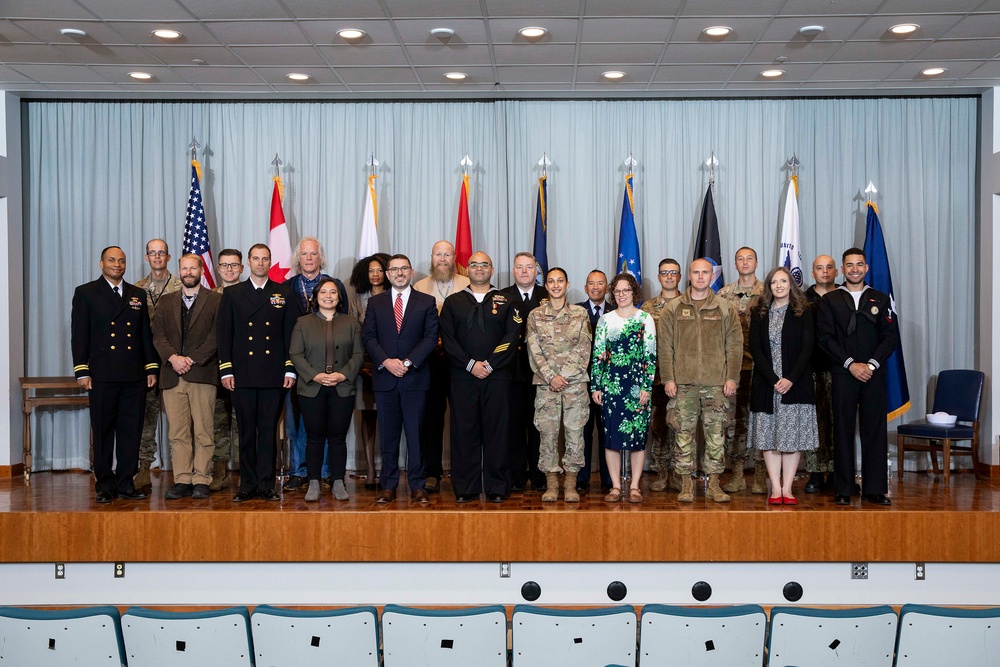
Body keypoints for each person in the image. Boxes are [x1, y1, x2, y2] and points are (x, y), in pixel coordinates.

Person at [71, 246, 159, 503]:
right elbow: (79, 335)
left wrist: (150, 367)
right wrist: (81, 370)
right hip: (101, 374)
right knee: (103, 429)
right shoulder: (86, 293)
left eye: (121, 261)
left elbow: (144, 334)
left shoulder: (137, 294)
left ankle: (125, 483)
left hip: (133, 375)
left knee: (131, 430)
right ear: (101, 264)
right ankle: (104, 484)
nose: (117, 264)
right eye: (112, 260)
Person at [817, 248, 899, 506]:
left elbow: (890, 337)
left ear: (866, 268)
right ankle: (843, 487)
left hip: (873, 375)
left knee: (874, 429)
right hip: (844, 373)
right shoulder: (830, 300)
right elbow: (825, 339)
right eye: (849, 265)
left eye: (859, 264)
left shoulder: (880, 298)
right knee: (842, 429)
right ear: (842, 270)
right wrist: (851, 364)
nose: (854, 269)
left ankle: (875, 488)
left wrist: (871, 365)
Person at [217, 243, 297, 502]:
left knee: (268, 430)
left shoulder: (283, 293)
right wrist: (226, 369)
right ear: (247, 263)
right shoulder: (233, 294)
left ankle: (266, 484)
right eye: (256, 259)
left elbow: (291, 335)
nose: (260, 263)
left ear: (270, 262)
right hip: (242, 374)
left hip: (274, 374)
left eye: (265, 259)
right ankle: (247, 484)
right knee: (247, 431)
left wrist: (290, 368)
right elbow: (224, 334)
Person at [659, 259, 743, 503]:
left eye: (705, 272)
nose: (700, 276)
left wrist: (731, 377)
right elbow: (665, 347)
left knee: (716, 436)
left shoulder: (725, 307)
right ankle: (685, 484)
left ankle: (714, 485)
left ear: (711, 276)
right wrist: (668, 379)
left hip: (716, 384)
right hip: (682, 384)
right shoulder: (673, 308)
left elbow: (735, 345)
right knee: (683, 436)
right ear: (689, 275)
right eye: (696, 272)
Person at [439, 251, 520, 503]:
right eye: (474, 264)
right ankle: (466, 488)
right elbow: (448, 340)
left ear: (492, 270)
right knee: (464, 432)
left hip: (497, 377)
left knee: (498, 432)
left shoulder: (507, 301)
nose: (479, 268)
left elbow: (512, 337)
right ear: (467, 270)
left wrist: (490, 365)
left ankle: (497, 487)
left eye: (484, 264)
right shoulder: (453, 302)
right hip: (463, 377)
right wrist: (471, 364)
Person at [362, 254, 439, 504]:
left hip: (414, 377)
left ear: (411, 271)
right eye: (393, 269)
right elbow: (369, 338)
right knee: (388, 435)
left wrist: (406, 362)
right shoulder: (375, 304)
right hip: (385, 379)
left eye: (403, 268)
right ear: (387, 274)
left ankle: (417, 485)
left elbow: (430, 338)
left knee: (416, 435)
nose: (399, 273)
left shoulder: (426, 302)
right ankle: (388, 485)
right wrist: (386, 361)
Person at [152, 254, 221, 500]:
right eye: (184, 268)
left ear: (202, 270)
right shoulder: (166, 301)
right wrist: (173, 358)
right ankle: (182, 479)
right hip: (172, 375)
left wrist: (190, 359)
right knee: (177, 433)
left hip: (201, 373)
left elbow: (216, 335)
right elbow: (158, 335)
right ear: (178, 270)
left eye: (193, 267)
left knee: (203, 430)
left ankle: (202, 478)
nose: (188, 271)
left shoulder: (216, 300)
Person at [747, 266, 819, 506]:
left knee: (792, 439)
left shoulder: (803, 311)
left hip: (795, 384)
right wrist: (772, 378)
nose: (778, 286)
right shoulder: (759, 311)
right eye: (774, 282)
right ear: (768, 286)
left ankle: (788, 488)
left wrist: (790, 378)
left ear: (791, 285)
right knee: (770, 439)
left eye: (783, 281)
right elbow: (755, 348)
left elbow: (808, 347)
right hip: (767, 384)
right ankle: (775, 489)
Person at [282, 237, 348, 493]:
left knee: (330, 421)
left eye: (313, 254)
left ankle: (326, 472)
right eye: (304, 254)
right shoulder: (286, 288)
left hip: (330, 368)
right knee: (296, 422)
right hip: (295, 363)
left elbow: (345, 323)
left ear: (321, 257)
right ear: (298, 258)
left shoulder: (335, 285)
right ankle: (300, 472)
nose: (309, 258)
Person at [290, 278, 363, 501]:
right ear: (316, 297)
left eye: (333, 292)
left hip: (343, 388)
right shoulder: (302, 323)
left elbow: (358, 355)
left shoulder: (351, 323)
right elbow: (296, 354)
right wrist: (315, 375)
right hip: (312, 388)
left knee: (338, 437)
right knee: (314, 436)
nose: (328, 296)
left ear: (339, 297)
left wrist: (343, 375)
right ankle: (313, 481)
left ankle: (338, 481)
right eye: (323, 292)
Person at [525, 267, 592, 503]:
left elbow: (584, 348)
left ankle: (571, 484)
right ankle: (552, 484)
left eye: (560, 281)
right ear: (547, 285)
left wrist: (563, 376)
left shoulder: (580, 314)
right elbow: (534, 351)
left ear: (567, 284)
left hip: (574, 385)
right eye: (551, 281)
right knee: (547, 434)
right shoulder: (535, 315)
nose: (555, 285)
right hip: (546, 385)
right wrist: (550, 376)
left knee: (575, 434)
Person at [590, 272, 656, 503]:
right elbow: (599, 354)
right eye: (617, 291)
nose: (621, 294)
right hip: (611, 386)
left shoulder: (645, 319)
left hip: (637, 386)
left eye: (626, 290)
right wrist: (596, 386)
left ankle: (635, 486)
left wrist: (647, 386)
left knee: (637, 437)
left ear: (634, 292)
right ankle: (616, 487)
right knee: (611, 438)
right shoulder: (606, 320)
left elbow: (650, 355)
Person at [413, 240, 470, 493]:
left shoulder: (468, 284)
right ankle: (432, 472)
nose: (443, 259)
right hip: (430, 362)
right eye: (438, 254)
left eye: (447, 254)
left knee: (463, 419)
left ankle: (464, 471)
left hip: (460, 361)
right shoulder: (420, 286)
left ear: (454, 257)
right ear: (432, 257)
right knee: (431, 419)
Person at [134, 239, 183, 490]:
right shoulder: (136, 289)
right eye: (152, 253)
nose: (157, 257)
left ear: (168, 257)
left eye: (161, 253)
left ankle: (181, 471)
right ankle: (144, 467)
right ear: (146, 257)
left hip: (174, 360)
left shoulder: (180, 286)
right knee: (146, 416)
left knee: (180, 419)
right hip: (146, 362)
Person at [717, 246, 767, 495]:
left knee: (760, 420)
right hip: (734, 369)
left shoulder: (767, 292)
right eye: (740, 259)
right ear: (735, 264)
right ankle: (736, 474)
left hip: (762, 368)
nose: (745, 262)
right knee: (735, 423)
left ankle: (760, 475)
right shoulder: (724, 294)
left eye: (749, 258)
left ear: (757, 263)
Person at [503, 252, 548, 493]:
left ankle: (539, 474)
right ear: (513, 270)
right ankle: (518, 474)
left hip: (541, 374)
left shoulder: (547, 296)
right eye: (519, 267)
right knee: (515, 425)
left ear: (535, 271)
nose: (524, 271)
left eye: (529, 267)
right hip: (512, 371)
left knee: (539, 425)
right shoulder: (501, 297)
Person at [349, 253, 390, 491]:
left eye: (379, 270)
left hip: (390, 365)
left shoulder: (395, 294)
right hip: (365, 367)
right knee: (368, 417)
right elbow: (355, 332)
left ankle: (388, 467)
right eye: (371, 271)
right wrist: (363, 364)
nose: (375, 275)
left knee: (390, 418)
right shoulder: (358, 299)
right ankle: (370, 471)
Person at [642, 258, 682, 493]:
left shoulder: (689, 303)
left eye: (673, 273)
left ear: (679, 277)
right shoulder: (648, 307)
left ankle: (679, 473)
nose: (669, 276)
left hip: (682, 376)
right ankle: (661, 472)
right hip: (656, 378)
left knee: (680, 426)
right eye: (664, 272)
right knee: (658, 426)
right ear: (658, 277)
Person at [575, 269, 613, 495]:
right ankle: (582, 478)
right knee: (582, 432)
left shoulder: (617, 312)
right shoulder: (576, 312)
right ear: (586, 287)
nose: (596, 287)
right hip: (581, 381)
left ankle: (609, 479)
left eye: (600, 283)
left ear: (607, 287)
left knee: (607, 432)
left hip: (610, 383)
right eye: (592, 283)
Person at [209, 248, 243, 492]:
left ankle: (245, 471)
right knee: (217, 422)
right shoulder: (208, 297)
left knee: (242, 422)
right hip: (214, 368)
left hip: (243, 369)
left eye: (234, 265)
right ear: (218, 269)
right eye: (224, 265)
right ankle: (218, 472)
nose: (229, 269)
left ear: (242, 268)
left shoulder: (248, 294)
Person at [804, 254, 838, 493]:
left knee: (838, 423)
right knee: (814, 423)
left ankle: (838, 472)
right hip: (810, 370)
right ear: (812, 272)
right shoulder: (803, 300)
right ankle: (815, 472)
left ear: (836, 272)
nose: (824, 272)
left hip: (840, 370)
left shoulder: (846, 298)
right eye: (819, 268)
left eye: (829, 268)